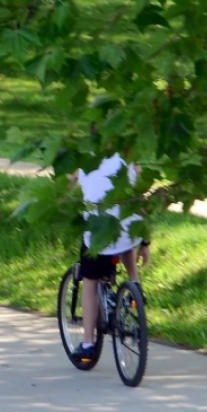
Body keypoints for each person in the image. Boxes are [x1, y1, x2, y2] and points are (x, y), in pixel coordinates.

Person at [69, 151, 148, 367]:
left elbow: (68, 192)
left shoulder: (83, 157)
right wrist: (146, 242)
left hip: (99, 237)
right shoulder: (130, 156)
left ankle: (87, 344)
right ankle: (135, 290)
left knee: (90, 283)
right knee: (127, 238)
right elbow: (141, 199)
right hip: (127, 234)